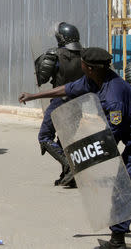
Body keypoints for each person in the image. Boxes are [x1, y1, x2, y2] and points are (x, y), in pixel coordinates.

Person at [19, 47, 131, 249]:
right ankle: (117, 238)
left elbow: (112, 136)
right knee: (127, 186)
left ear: (89, 67)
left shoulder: (114, 94)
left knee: (126, 185)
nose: (79, 65)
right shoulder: (94, 80)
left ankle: (117, 240)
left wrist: (88, 164)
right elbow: (67, 89)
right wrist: (33, 96)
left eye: (82, 63)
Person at [35, 22, 84, 186]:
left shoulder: (55, 55)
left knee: (44, 136)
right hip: (79, 103)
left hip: (60, 101)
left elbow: (42, 78)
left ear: (61, 37)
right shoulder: (85, 55)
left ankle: (69, 166)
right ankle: (69, 176)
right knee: (66, 139)